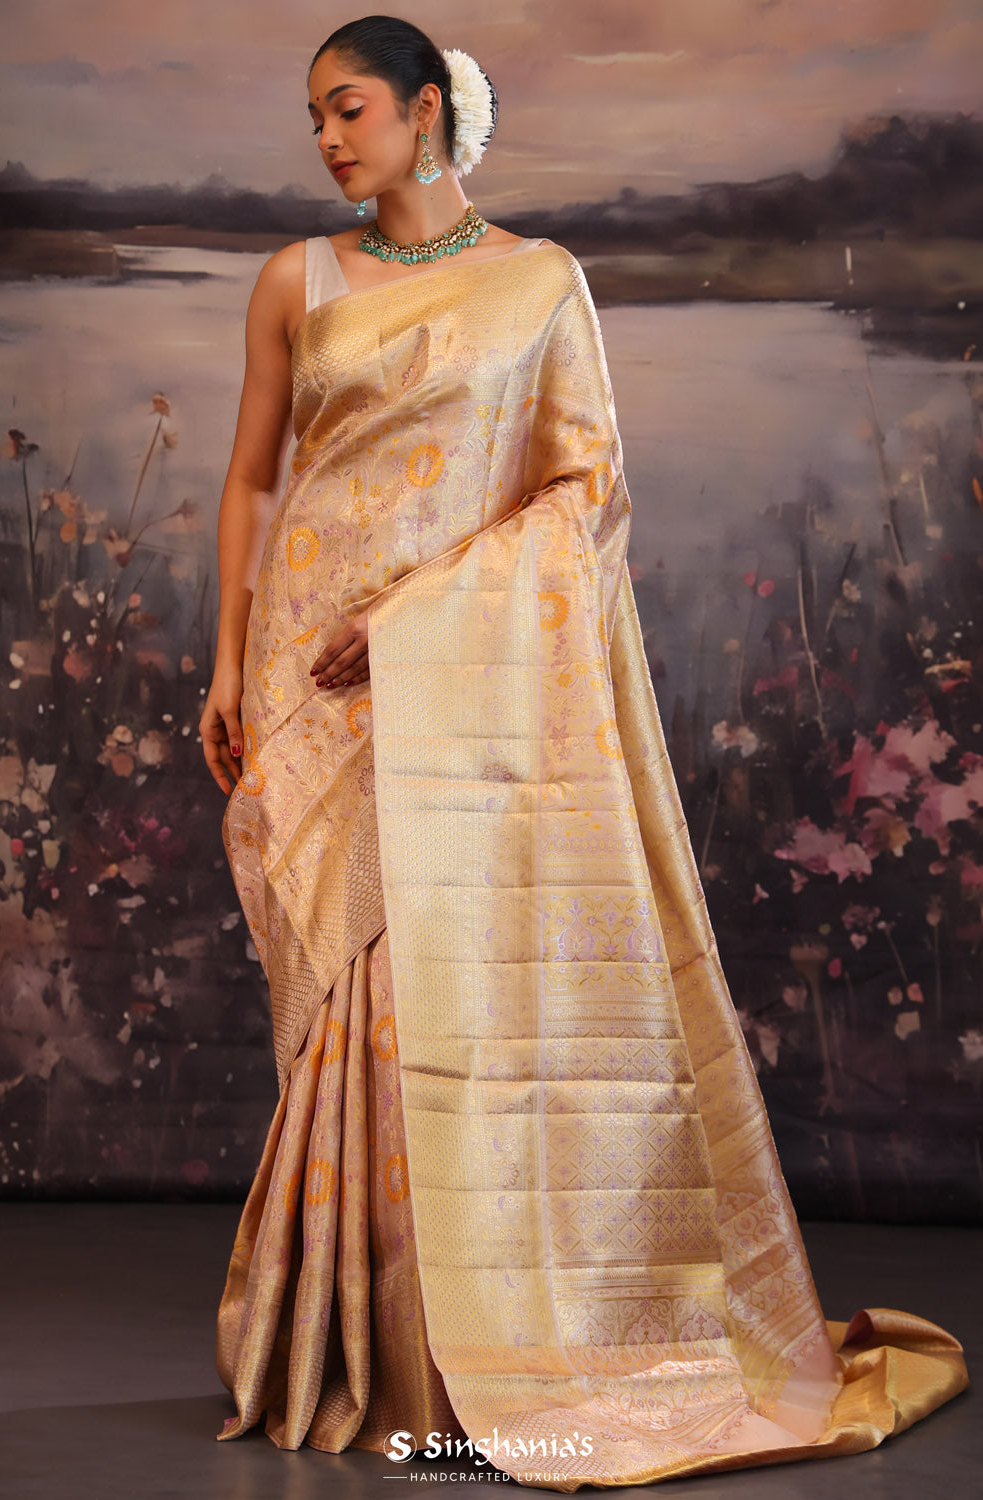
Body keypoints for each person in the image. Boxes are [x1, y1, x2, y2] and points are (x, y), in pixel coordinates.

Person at [199, 15, 969, 1490]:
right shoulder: (294, 278)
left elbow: (584, 496)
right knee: (340, 999)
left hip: (454, 686)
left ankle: (454, 1359)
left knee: (436, 991)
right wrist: (231, 659)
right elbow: (250, 481)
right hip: (312, 681)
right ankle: (350, 1344)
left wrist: (415, 620)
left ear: (428, 111)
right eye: (313, 119)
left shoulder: (540, 283)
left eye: (349, 109)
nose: (328, 140)